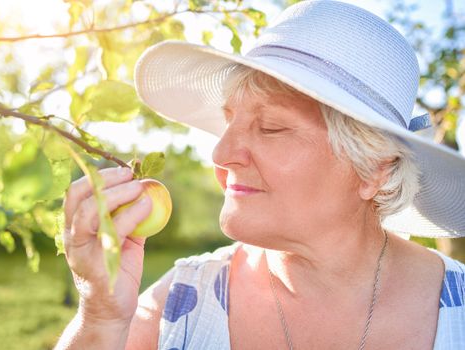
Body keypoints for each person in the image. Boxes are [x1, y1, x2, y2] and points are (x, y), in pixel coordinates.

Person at [55, 1, 465, 349]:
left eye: (271, 127)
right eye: (228, 121)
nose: (221, 153)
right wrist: (102, 317)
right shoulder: (181, 305)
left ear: (376, 168)